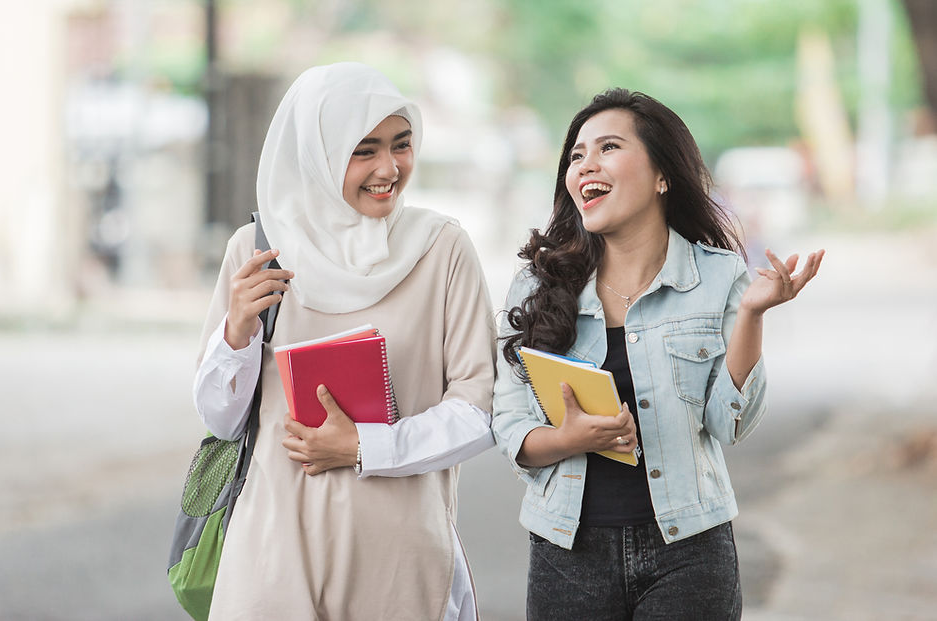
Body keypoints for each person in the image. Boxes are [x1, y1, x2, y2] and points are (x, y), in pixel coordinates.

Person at [491, 88, 824, 620]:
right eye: (577, 155)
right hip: (566, 555)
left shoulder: (718, 276)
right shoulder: (539, 282)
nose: (586, 165)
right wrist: (567, 438)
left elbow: (728, 425)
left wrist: (751, 316)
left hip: (689, 553)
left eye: (608, 148)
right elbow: (507, 423)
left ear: (662, 175)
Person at [193, 62, 496, 620]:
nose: (389, 168)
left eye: (401, 145)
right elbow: (221, 421)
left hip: (400, 556)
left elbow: (480, 411)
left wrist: (364, 447)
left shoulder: (442, 249)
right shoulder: (257, 250)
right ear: (318, 152)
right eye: (364, 150)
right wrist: (236, 331)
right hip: (273, 549)